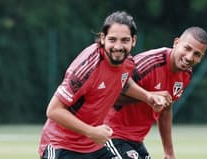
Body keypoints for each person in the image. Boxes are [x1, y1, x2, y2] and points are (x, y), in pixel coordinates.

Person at [38, 11, 170, 159]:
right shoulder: (87, 67)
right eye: (112, 39)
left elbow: (123, 82)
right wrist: (91, 131)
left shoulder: (127, 63)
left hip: (94, 146)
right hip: (61, 145)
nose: (118, 47)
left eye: (125, 40)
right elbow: (53, 110)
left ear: (134, 40)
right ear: (103, 38)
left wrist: (148, 96)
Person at [105, 26, 207, 159]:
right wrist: (150, 96)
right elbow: (110, 94)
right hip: (110, 133)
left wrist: (169, 152)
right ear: (176, 43)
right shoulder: (149, 63)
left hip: (136, 140)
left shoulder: (186, 75)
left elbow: (166, 109)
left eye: (197, 54)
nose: (189, 57)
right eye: (187, 48)